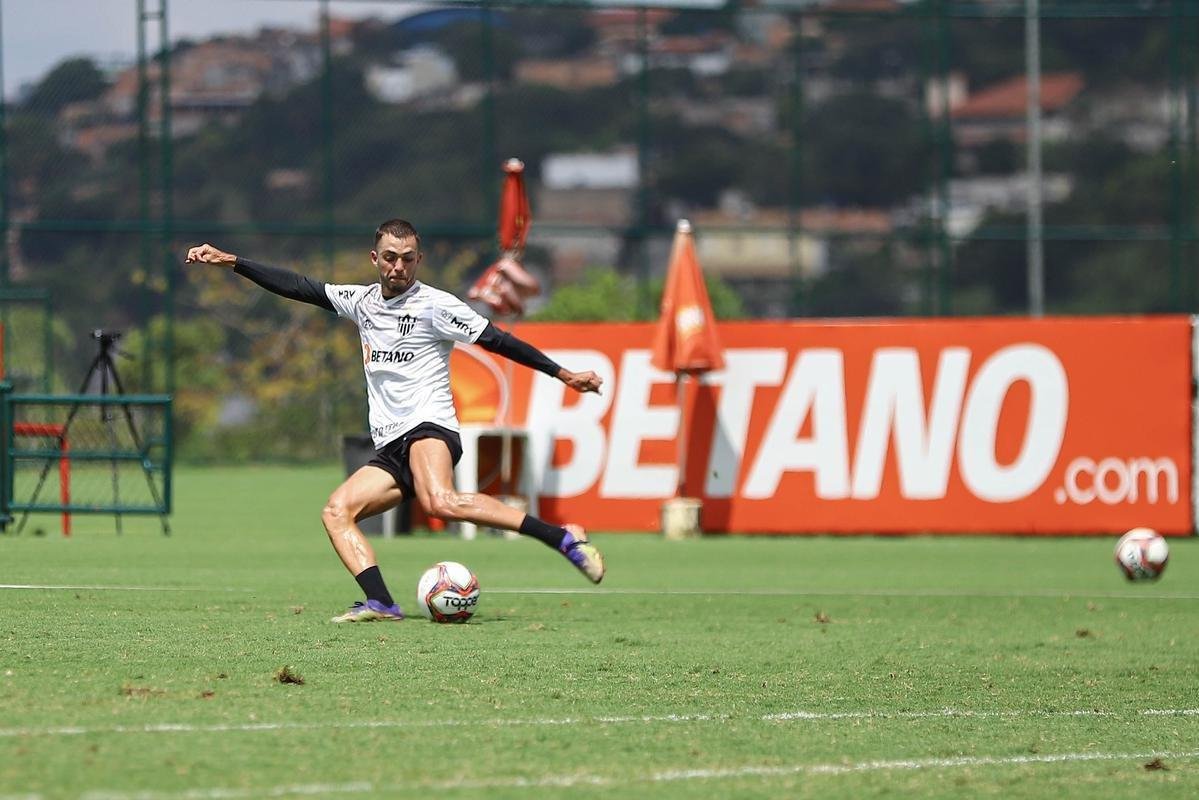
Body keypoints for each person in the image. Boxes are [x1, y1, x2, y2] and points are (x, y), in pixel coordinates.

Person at [185, 218, 606, 623]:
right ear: (374, 258)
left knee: (440, 502)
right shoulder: (361, 302)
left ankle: (563, 537)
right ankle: (381, 602)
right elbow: (300, 287)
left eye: (407, 258)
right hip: (391, 446)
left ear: (418, 260)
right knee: (336, 511)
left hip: (430, 428)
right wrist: (233, 262)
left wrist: (563, 373)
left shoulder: (436, 306)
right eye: (390, 257)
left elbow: (498, 339)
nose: (398, 266)